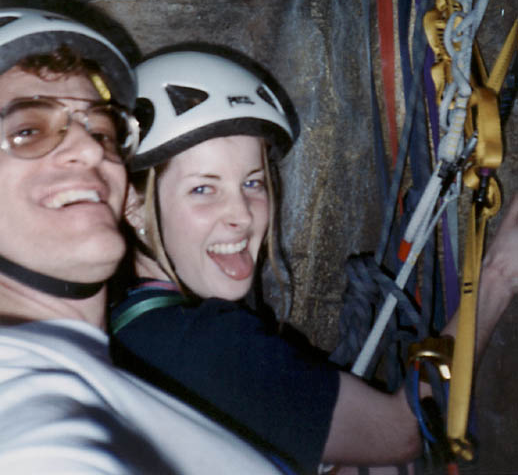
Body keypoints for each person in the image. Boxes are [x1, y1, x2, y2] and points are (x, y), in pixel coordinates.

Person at [110, 44, 518, 474]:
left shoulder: (129, 326)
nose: (242, 215)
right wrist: (497, 278)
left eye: (252, 182)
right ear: (134, 205)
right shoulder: (201, 345)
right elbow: (401, 431)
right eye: (202, 189)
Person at [0, 8, 289, 475]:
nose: (92, 147)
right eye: (28, 131)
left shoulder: (100, 370)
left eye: (100, 129)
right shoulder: (25, 406)